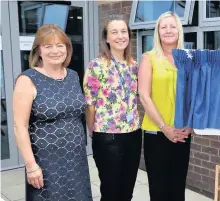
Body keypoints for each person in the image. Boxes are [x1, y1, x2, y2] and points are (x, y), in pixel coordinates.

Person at [13, 24, 92, 201]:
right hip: (46, 162)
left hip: (76, 158)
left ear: (67, 48)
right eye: (48, 46)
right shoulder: (27, 80)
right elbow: (20, 126)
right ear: (38, 50)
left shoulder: (72, 75)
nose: (55, 51)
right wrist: (31, 166)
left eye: (60, 45)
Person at [83, 15, 141, 201]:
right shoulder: (96, 65)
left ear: (129, 36)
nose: (120, 36)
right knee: (110, 191)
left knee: (127, 190)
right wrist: (94, 132)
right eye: (114, 32)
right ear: (107, 38)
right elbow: (89, 105)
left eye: (123, 31)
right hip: (107, 136)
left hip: (133, 133)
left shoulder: (134, 66)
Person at [138, 11, 192, 201]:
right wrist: (164, 127)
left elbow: (195, 95)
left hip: (182, 133)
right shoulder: (149, 58)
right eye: (163, 27)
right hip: (157, 133)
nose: (168, 30)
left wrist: (190, 124)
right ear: (157, 32)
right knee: (159, 190)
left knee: (177, 188)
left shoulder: (188, 58)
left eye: (172, 26)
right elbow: (144, 96)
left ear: (179, 30)